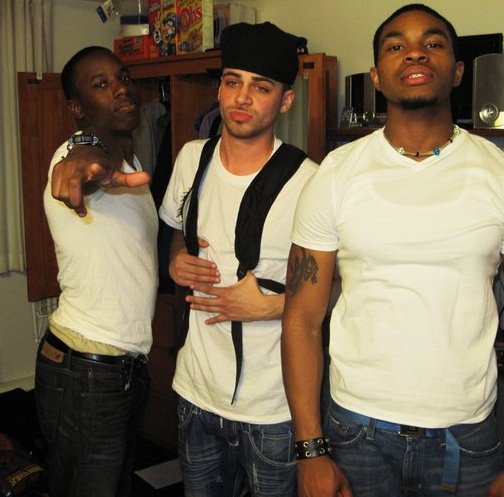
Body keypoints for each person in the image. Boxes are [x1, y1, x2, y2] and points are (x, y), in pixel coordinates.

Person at [281, 4, 504, 497]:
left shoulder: (497, 173)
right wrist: (310, 450)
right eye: (396, 46)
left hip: (467, 435)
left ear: (458, 71)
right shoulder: (336, 173)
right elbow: (301, 319)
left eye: (433, 43)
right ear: (377, 77)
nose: (415, 53)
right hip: (355, 430)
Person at [158, 22, 317, 497]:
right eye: (233, 82)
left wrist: (273, 305)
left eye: (261, 87)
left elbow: (341, 285)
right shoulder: (191, 159)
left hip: (273, 407)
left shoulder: (310, 182)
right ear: (220, 89)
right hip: (195, 392)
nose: (242, 98)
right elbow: (175, 231)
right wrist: (177, 259)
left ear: (285, 101)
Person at [35, 46, 158, 497]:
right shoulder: (78, 159)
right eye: (101, 84)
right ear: (77, 107)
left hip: (118, 368)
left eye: (123, 77)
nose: (121, 89)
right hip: (87, 371)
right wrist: (84, 160)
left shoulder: (132, 167)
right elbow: (84, 158)